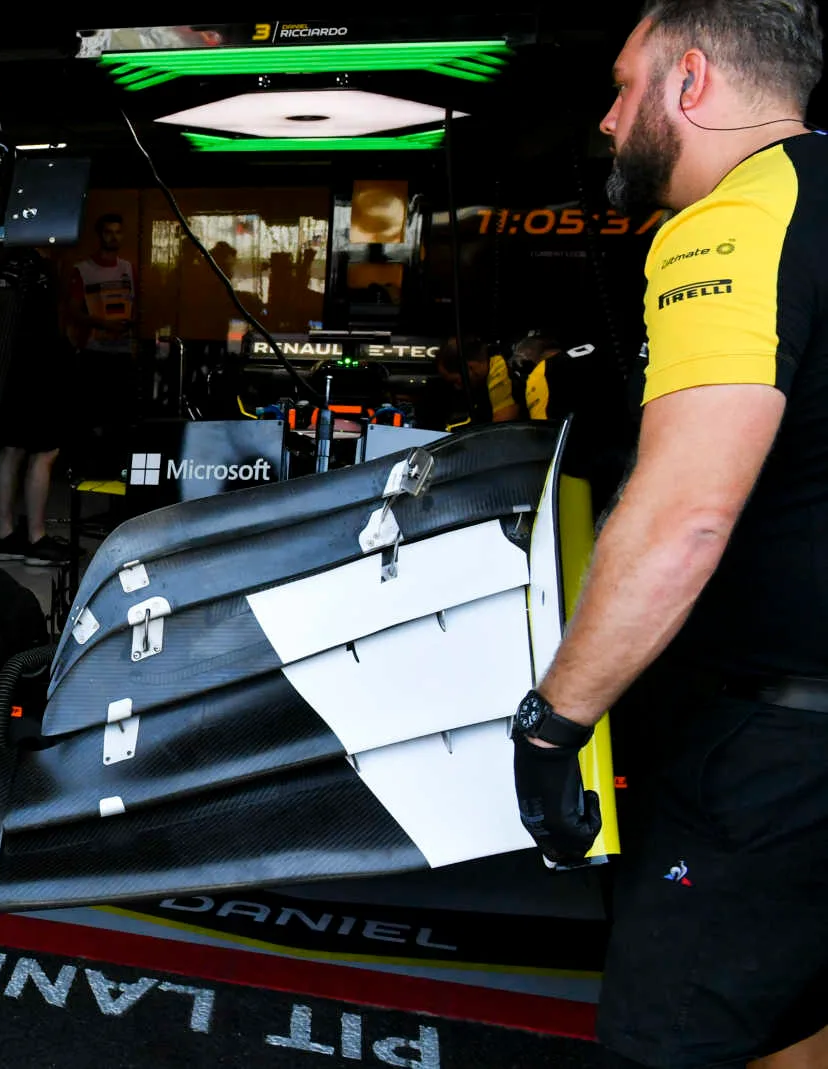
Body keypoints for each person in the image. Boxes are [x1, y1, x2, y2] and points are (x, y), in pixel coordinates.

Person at [506, 3, 826, 1066]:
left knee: (673, 1039)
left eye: (623, 85)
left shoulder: (737, 221)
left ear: (689, 82)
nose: (606, 120)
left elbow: (685, 512)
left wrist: (554, 720)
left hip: (771, 754)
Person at [0, 243, 71, 567]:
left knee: (11, 450)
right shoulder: (37, 266)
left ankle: (5, 535)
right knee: (45, 452)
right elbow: (48, 320)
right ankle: (36, 537)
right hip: (37, 366)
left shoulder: (5, 261)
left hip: (8, 365)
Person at [66, 212, 139, 473]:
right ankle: (83, 470)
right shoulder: (83, 269)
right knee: (88, 416)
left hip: (122, 353)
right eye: (108, 232)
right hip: (93, 353)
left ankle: (115, 469)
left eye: (118, 232)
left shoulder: (128, 268)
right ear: (100, 235)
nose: (114, 237)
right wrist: (101, 323)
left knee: (120, 418)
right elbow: (73, 311)